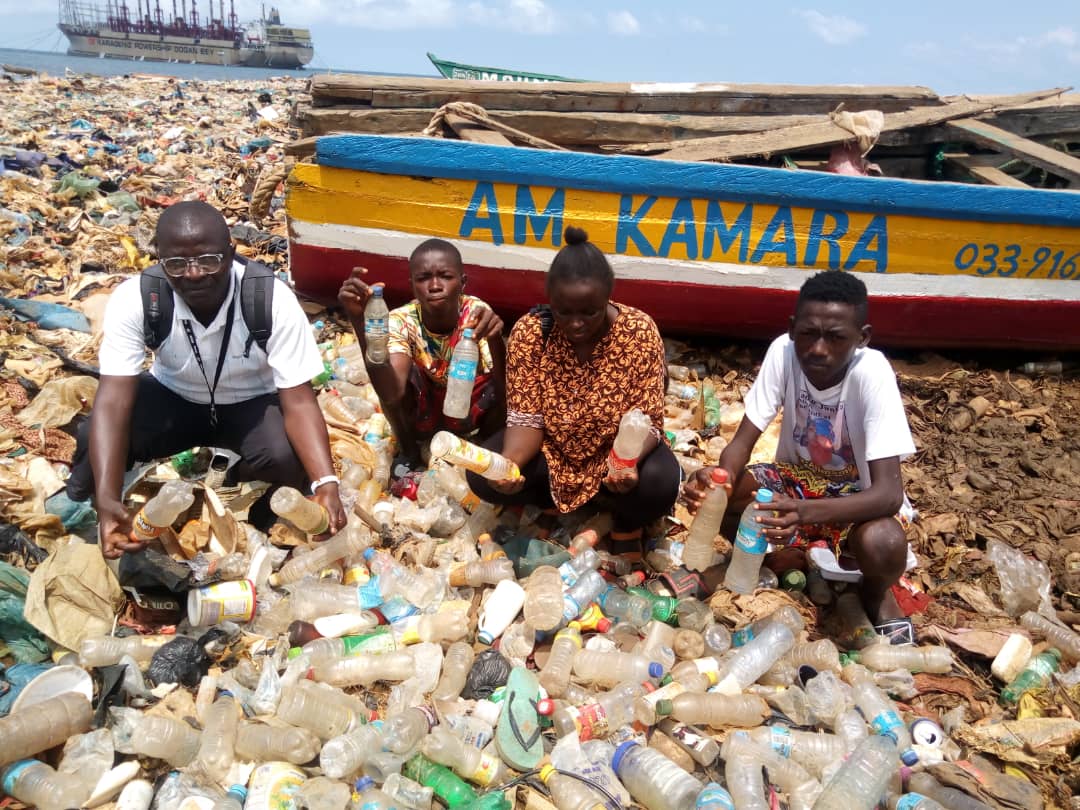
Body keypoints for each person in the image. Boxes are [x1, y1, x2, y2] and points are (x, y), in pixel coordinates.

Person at [69, 201, 346, 558]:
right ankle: (85, 509)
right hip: (174, 398)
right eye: (177, 264)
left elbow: (299, 400)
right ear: (158, 259)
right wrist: (107, 498)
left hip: (251, 404)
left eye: (209, 260)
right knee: (94, 432)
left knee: (285, 455)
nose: (195, 273)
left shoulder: (268, 298)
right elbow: (112, 401)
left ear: (231, 253)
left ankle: (256, 515)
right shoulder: (139, 298)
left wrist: (326, 482)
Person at [683, 270, 916, 639]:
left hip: (854, 499)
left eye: (836, 338)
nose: (819, 349)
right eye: (808, 333)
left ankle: (874, 593)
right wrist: (717, 480)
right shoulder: (783, 352)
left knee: (883, 543)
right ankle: (781, 560)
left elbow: (888, 494)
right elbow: (742, 442)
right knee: (728, 491)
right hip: (796, 481)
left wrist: (804, 512)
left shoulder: (871, 373)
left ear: (862, 338)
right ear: (793, 328)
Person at [467, 226, 681, 551]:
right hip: (553, 453)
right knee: (482, 473)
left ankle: (616, 514)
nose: (576, 323)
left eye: (589, 312)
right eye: (563, 312)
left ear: (608, 296)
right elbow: (526, 421)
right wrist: (509, 465)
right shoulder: (530, 333)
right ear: (549, 300)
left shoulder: (639, 332)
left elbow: (648, 419)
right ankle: (567, 502)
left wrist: (626, 463)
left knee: (661, 483)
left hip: (615, 456)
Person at [337, 238, 506, 467]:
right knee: (396, 379)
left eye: (445, 276)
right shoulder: (402, 320)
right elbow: (392, 392)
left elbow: (504, 382)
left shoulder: (475, 313)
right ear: (413, 286)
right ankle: (409, 454)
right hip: (423, 414)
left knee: (504, 385)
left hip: (464, 409)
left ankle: (484, 446)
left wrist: (496, 340)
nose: (435, 285)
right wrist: (359, 321)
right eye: (423, 278)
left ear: (463, 282)